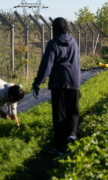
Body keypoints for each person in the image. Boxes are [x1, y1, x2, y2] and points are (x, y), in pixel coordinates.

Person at [32, 17, 81, 155]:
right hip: (74, 81)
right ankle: (72, 133)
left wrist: (37, 82)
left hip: (59, 82)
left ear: (54, 29)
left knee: (59, 115)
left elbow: (46, 65)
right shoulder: (73, 42)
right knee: (73, 110)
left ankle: (59, 147)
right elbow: (77, 62)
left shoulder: (53, 43)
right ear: (66, 27)